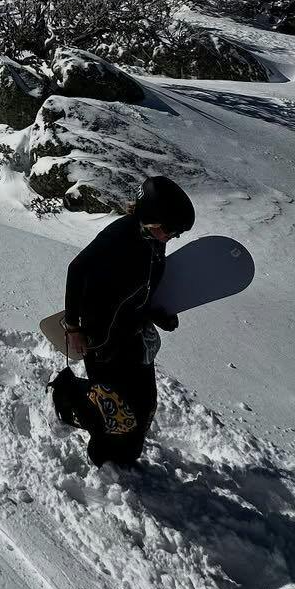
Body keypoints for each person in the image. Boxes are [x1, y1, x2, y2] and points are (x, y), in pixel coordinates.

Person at [51, 176, 195, 466]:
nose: (173, 236)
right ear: (151, 217)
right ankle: (67, 399)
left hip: (133, 334)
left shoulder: (154, 241)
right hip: (102, 338)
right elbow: (76, 269)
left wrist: (158, 313)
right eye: (170, 229)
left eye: (177, 233)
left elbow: (140, 287)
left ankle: (125, 455)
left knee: (144, 405)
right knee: (114, 409)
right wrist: (73, 327)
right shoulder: (119, 236)